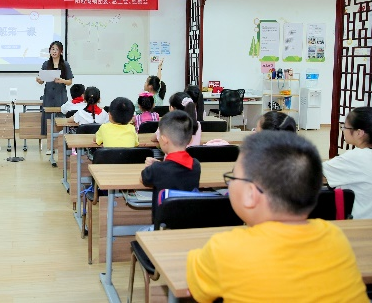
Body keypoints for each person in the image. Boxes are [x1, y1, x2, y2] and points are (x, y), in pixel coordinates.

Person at [187, 131, 368, 302]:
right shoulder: (336, 238)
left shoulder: (224, 250)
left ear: (250, 194)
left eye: (233, 177)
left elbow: (194, 285)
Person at [140, 110, 201, 221]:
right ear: (190, 140)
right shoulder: (196, 165)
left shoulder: (156, 169)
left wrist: (151, 167)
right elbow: (174, 169)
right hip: (188, 224)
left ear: (164, 140)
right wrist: (160, 165)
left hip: (162, 226)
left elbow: (143, 178)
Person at [323, 106, 372, 219]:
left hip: (358, 224)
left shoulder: (357, 157)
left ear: (359, 133)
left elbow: (314, 171)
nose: (343, 130)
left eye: (345, 127)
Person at [36, 41, 73, 135]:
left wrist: (62, 81)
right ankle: (49, 140)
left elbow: (69, 82)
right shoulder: (46, 64)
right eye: (52, 49)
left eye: (57, 49)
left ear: (61, 51)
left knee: (61, 116)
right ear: (49, 51)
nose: (54, 51)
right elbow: (42, 81)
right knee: (48, 117)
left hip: (60, 95)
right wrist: (39, 80)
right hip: (48, 95)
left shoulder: (65, 64)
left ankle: (60, 140)